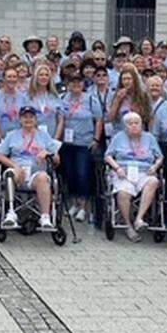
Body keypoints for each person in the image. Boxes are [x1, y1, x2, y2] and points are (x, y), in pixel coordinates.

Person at [0, 106, 62, 230]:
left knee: (43, 177)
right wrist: (14, 166)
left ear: (36, 119)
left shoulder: (44, 136)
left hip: (36, 175)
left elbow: (57, 160)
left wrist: (47, 153)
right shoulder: (12, 135)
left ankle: (45, 217)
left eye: (31, 117)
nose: (28, 119)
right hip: (17, 173)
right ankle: (10, 213)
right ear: (20, 119)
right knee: (9, 174)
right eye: (25, 117)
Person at [104, 112, 163, 242]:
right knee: (123, 193)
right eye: (130, 124)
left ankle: (139, 219)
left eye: (137, 123)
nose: (134, 126)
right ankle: (128, 226)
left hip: (144, 172)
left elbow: (160, 157)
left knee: (154, 181)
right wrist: (117, 168)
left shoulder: (149, 138)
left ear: (142, 124)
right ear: (125, 126)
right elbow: (108, 156)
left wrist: (155, 167)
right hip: (124, 172)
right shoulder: (119, 137)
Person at [59, 70, 102, 222]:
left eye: (79, 82)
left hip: (84, 143)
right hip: (67, 143)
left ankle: (83, 206)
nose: (76, 85)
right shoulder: (62, 98)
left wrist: (96, 139)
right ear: (68, 84)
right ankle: (74, 203)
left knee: (82, 174)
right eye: (72, 82)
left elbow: (99, 120)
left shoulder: (91, 100)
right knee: (70, 174)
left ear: (83, 84)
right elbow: (60, 119)